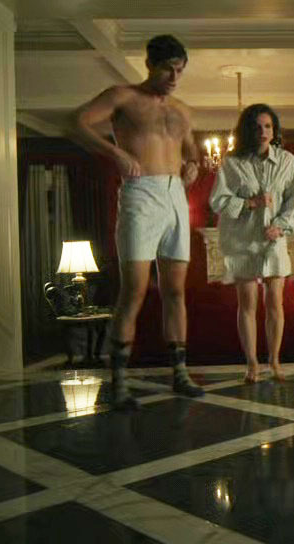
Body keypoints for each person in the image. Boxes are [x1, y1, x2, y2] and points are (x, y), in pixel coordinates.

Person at [72, 35, 204, 408]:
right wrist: (114, 152)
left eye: (180, 70)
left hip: (175, 194)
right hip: (140, 192)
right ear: (149, 65)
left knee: (176, 291)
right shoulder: (123, 97)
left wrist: (193, 164)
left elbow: (191, 147)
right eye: (168, 69)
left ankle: (180, 373)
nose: (174, 77)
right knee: (134, 290)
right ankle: (118, 382)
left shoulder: (182, 109)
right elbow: (76, 122)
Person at [209, 104, 294, 383]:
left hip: (274, 240)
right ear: (247, 130)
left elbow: (293, 202)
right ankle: (252, 364)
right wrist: (250, 203)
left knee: (275, 302)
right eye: (257, 126)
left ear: (274, 130)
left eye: (268, 126)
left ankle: (274, 361)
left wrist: (280, 226)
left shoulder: (289, 162)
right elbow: (217, 201)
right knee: (247, 302)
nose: (263, 131)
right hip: (242, 239)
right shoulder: (231, 163)